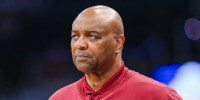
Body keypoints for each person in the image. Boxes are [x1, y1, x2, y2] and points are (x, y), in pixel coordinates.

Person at [49, 5, 182, 100]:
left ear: (118, 43)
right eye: (75, 37)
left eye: (93, 36)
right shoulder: (59, 97)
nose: (80, 44)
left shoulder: (159, 96)